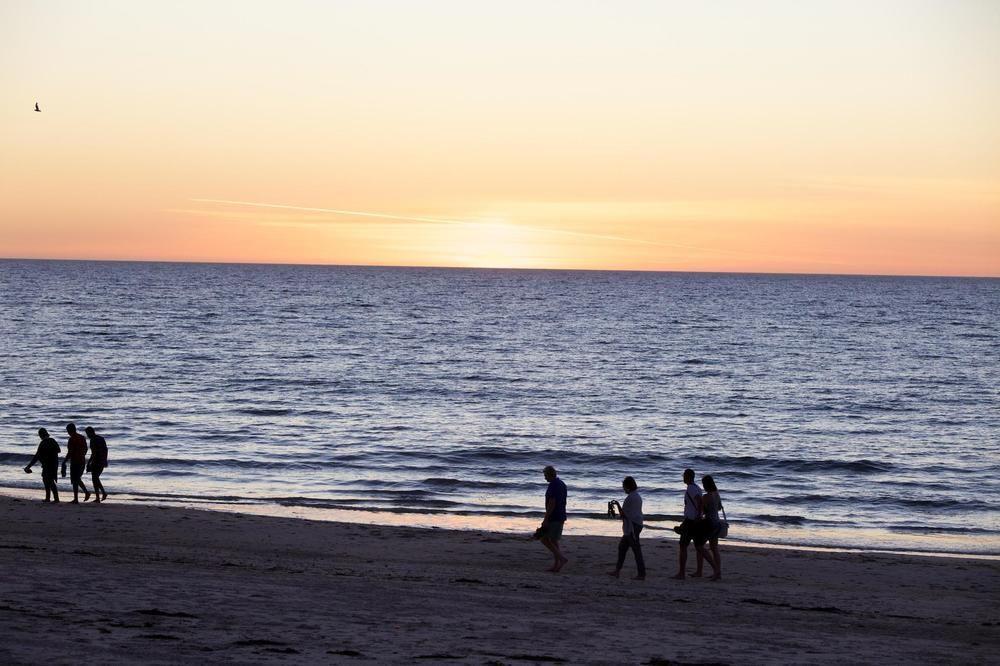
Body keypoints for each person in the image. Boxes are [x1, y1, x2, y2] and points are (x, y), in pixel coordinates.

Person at [673, 468, 715, 579]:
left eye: (684, 475)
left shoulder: (691, 488)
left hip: (691, 521)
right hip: (695, 520)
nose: (683, 477)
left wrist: (698, 515)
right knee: (699, 546)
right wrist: (700, 515)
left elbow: (699, 502)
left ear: (688, 477)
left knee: (683, 545)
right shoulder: (697, 487)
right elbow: (700, 502)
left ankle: (681, 573)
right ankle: (705, 570)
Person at [609, 476, 645, 580]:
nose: (623, 489)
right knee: (622, 547)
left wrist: (617, 505)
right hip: (636, 524)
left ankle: (641, 574)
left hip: (632, 527)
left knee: (636, 550)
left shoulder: (630, 498)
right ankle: (617, 571)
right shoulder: (637, 496)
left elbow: (623, 514)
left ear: (628, 486)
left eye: (624, 487)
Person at [535, 465, 568, 572]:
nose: (545, 478)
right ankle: (556, 564)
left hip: (554, 516)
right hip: (561, 515)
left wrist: (546, 519)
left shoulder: (553, 485)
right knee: (553, 540)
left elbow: (552, 503)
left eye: (545, 475)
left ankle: (561, 559)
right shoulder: (561, 484)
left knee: (543, 538)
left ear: (550, 475)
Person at [24, 428, 61, 502]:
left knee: (48, 480)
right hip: (53, 464)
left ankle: (54, 499)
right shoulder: (52, 440)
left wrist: (28, 466)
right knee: (47, 480)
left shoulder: (43, 443)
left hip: (48, 464)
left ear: (41, 435)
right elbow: (59, 450)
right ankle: (50, 498)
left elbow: (37, 456)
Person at [61, 423, 91, 503]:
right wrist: (82, 455)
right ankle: (80, 496)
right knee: (76, 479)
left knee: (75, 480)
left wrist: (64, 461)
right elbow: (86, 449)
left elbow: (70, 452)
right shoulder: (82, 437)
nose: (67, 432)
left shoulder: (72, 439)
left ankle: (81, 495)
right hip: (82, 460)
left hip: (75, 461)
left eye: (67, 430)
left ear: (69, 430)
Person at [702, 474, 724, 581]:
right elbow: (719, 508)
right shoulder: (717, 494)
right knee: (714, 548)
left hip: (709, 523)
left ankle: (716, 570)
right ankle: (717, 572)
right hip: (717, 522)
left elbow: (703, 511)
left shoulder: (706, 496)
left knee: (700, 546)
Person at [85, 426, 109, 503]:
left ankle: (99, 497)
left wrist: (89, 463)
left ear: (90, 432)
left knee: (94, 478)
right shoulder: (101, 438)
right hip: (102, 460)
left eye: (87, 434)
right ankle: (103, 494)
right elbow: (106, 450)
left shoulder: (93, 440)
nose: (87, 436)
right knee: (96, 478)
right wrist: (105, 460)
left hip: (97, 461)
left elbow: (94, 453)